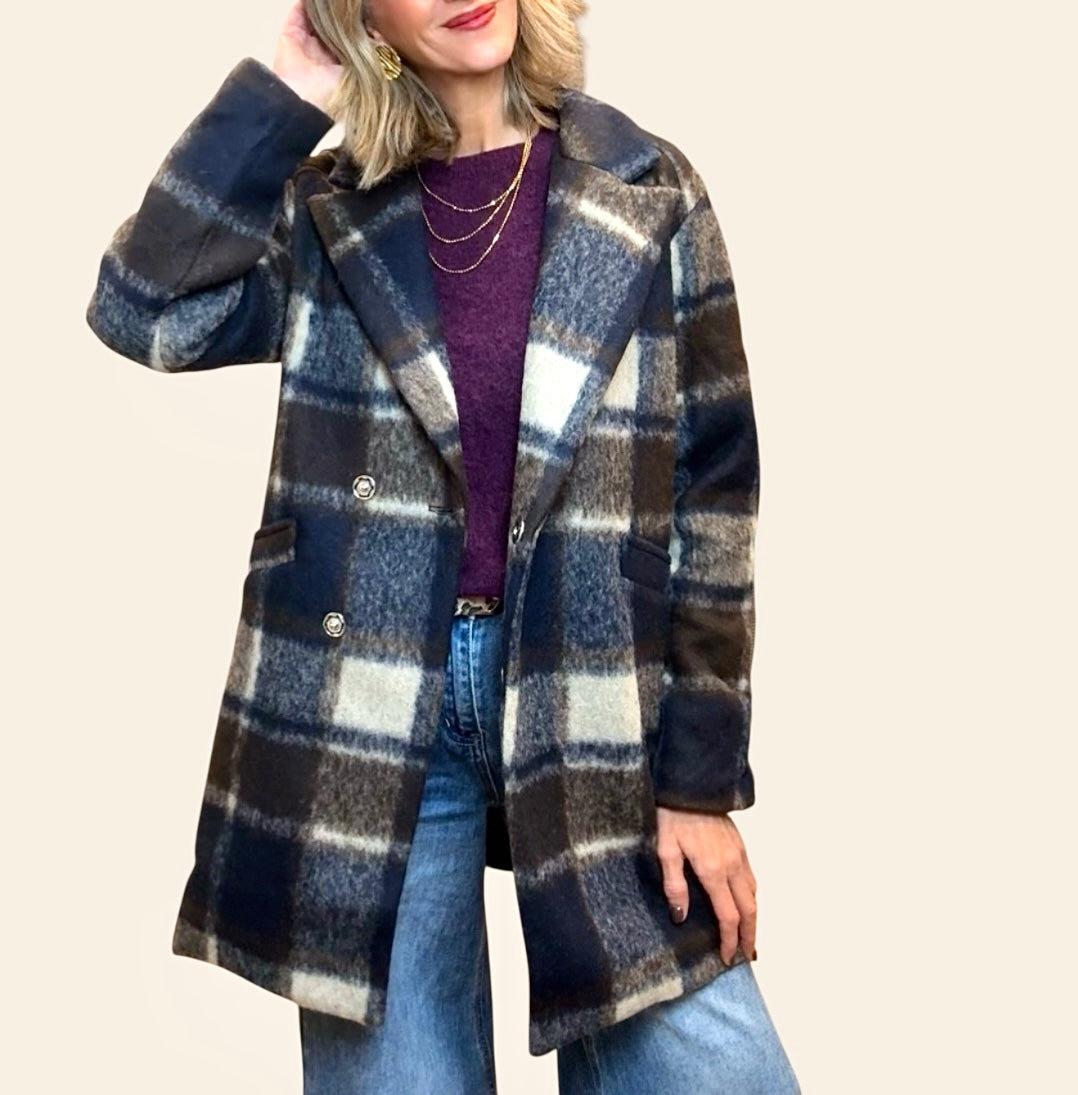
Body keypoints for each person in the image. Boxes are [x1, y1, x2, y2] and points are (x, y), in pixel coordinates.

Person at [86, 0, 802, 1091]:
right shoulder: (325, 209)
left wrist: (698, 781)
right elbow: (145, 308)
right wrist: (288, 87)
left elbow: (716, 487)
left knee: (707, 1058)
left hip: (593, 686)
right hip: (368, 697)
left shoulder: (649, 183)